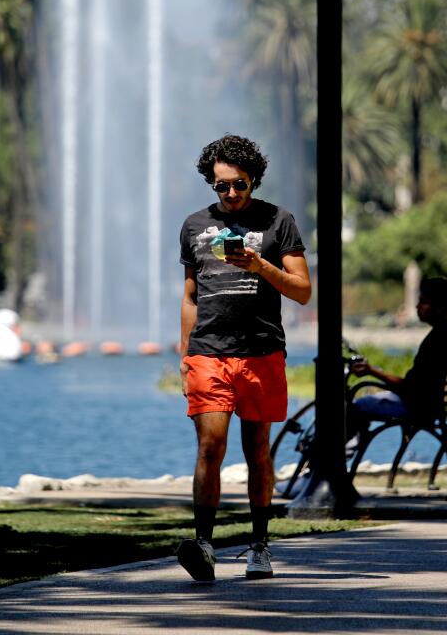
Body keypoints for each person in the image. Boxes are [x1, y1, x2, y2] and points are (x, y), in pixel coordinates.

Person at [176, 134, 311, 582]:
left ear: (254, 179)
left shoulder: (279, 221)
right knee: (210, 446)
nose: (231, 194)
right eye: (222, 186)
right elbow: (191, 296)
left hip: (262, 353)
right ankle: (204, 546)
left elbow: (302, 291)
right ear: (210, 184)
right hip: (209, 353)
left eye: (240, 185)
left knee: (257, 451)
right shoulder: (194, 226)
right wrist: (184, 354)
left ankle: (259, 546)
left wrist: (260, 267)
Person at [347, 277, 447, 434]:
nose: (417, 306)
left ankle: (334, 454)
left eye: (423, 302)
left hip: (420, 408)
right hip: (442, 406)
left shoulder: (436, 340)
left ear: (440, 308)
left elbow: (409, 388)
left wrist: (371, 371)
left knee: (356, 406)